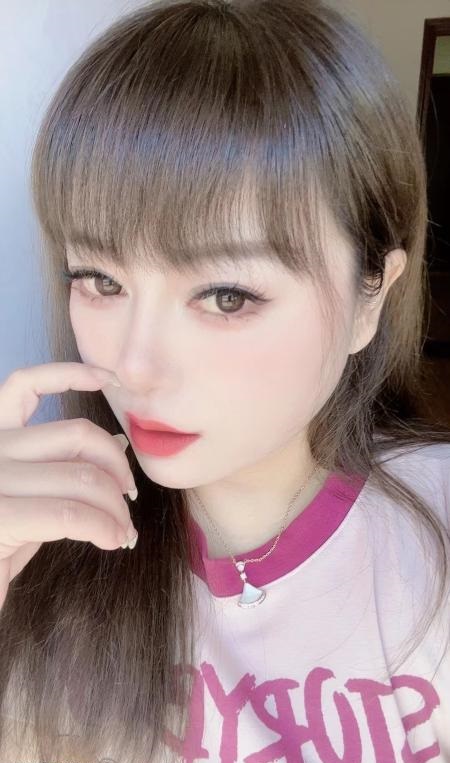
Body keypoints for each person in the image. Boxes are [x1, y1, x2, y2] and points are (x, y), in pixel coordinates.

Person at [0, 0, 449, 760]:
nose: (134, 366)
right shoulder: (40, 539)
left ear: (370, 297)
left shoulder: (432, 540)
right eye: (100, 280)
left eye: (227, 296)